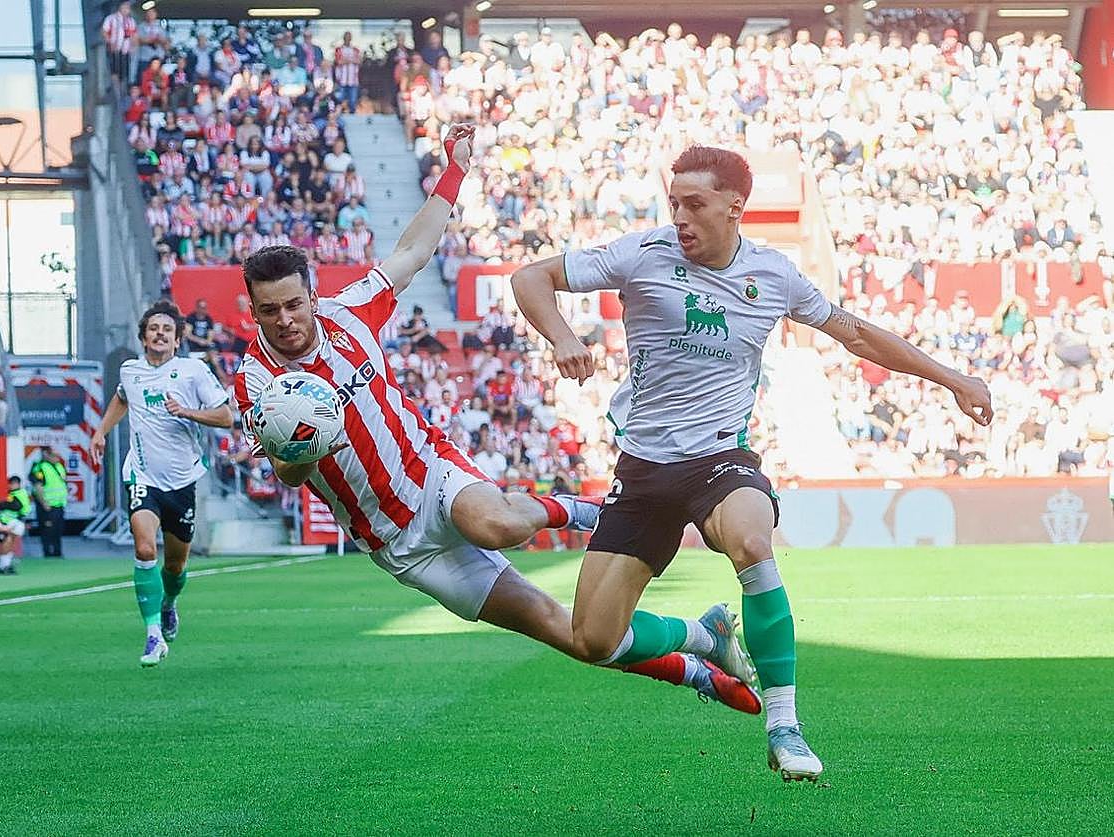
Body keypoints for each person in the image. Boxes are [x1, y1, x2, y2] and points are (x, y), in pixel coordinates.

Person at [234, 125, 761, 716]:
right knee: (571, 635)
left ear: (312, 294)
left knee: (498, 526)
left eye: (293, 304)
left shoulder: (349, 314)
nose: (285, 320)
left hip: (429, 473)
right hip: (397, 541)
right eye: (269, 310)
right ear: (252, 310)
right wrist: (304, 442)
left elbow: (412, 252)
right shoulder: (255, 380)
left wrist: (454, 169)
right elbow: (285, 472)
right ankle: (699, 648)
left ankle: (591, 512)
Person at [511, 145, 994, 782]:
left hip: (720, 459)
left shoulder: (774, 275)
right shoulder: (642, 254)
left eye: (695, 204)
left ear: (735, 207)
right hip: (644, 466)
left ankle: (785, 724)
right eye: (674, 202)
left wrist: (950, 376)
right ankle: (703, 639)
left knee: (749, 539)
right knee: (595, 641)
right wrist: (564, 337)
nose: (679, 216)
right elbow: (529, 278)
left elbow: (857, 333)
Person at [91, 300, 233, 667]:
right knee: (143, 550)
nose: (159, 334)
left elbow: (226, 416)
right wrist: (101, 431)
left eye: (167, 330)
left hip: (183, 480)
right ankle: (153, 636)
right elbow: (122, 399)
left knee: (175, 566)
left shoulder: (193, 372)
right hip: (142, 475)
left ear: (176, 340)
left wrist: (187, 412)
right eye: (154, 328)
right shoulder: (130, 371)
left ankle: (169, 604)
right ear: (144, 336)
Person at [29, 446, 68, 558]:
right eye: (55, 455)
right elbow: (38, 487)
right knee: (47, 530)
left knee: (58, 529)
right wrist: (44, 502)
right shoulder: (40, 467)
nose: (57, 458)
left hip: (59, 504)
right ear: (47, 455)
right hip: (47, 505)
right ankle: (48, 552)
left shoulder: (59, 466)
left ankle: (57, 552)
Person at [0, 475, 32, 541]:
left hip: (11, 519)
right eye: (9, 484)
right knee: (8, 537)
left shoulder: (16, 494)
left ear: (17, 484)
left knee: (5, 538)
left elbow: (16, 506)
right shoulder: (20, 492)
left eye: (12, 484)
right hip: (15, 519)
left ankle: (5, 551)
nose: (10, 486)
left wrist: (0, 506)